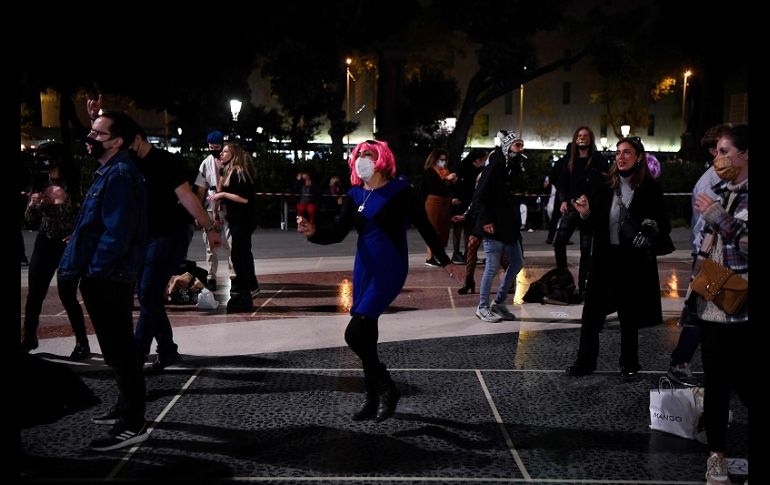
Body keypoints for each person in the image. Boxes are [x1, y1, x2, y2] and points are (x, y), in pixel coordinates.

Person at [297, 139, 456, 422]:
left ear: (381, 158)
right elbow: (336, 233)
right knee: (367, 334)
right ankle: (372, 398)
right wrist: (313, 232)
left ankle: (387, 388)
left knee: (353, 334)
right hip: (364, 269)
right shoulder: (355, 194)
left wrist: (443, 258)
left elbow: (423, 224)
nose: (361, 159)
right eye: (358, 155)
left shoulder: (400, 190)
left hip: (390, 268)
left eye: (367, 154)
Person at [87, 97, 222, 375]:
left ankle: (136, 356)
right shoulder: (127, 161)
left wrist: (209, 227)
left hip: (171, 234)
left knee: (148, 292)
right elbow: (103, 144)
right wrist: (95, 120)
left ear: (135, 139)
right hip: (144, 237)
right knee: (148, 295)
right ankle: (168, 351)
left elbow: (186, 197)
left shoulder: (166, 161)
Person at [57, 111, 149, 451]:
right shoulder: (110, 170)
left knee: (121, 350)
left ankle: (134, 422)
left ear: (117, 141)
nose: (91, 137)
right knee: (114, 350)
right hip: (102, 274)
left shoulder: (121, 173)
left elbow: (118, 231)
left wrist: (95, 267)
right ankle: (126, 409)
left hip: (108, 276)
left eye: (98, 132)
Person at [565, 136, 673, 378]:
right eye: (618, 152)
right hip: (604, 258)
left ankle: (629, 364)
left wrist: (649, 228)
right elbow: (595, 224)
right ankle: (585, 361)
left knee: (629, 315)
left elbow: (663, 223)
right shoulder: (606, 185)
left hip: (632, 260)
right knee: (591, 312)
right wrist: (585, 214)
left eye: (626, 152)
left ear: (639, 157)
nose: (621, 157)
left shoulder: (649, 187)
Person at [688, 125, 748, 485]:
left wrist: (716, 217)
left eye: (726, 151)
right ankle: (717, 457)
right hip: (714, 301)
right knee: (715, 384)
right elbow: (703, 246)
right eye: (716, 151)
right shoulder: (720, 192)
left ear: (745, 155)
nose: (719, 158)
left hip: (743, 305)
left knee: (744, 382)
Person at [667, 124, 731, 387]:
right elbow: (700, 230)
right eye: (725, 147)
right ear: (714, 150)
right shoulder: (708, 183)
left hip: (727, 258)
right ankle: (680, 362)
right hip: (713, 259)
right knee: (703, 316)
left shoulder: (731, 178)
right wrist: (702, 266)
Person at [21, 141, 89, 360]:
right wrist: (33, 205)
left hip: (68, 242)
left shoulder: (76, 182)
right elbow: (29, 221)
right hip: (45, 241)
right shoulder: (40, 182)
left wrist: (76, 235)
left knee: (67, 294)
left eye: (46, 156)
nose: (41, 160)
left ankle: (82, 342)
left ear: (59, 158)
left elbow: (85, 214)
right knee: (35, 294)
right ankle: (29, 337)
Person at [472, 130, 526, 323]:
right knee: (492, 265)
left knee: (517, 262)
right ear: (507, 145)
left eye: (522, 145)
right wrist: (486, 220)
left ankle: (499, 302)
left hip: (509, 225)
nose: (521, 149)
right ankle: (483, 306)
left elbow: (516, 190)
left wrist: (517, 165)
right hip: (493, 225)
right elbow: (480, 194)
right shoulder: (495, 165)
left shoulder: (512, 166)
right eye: (517, 145)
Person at [554, 127, 609, 299]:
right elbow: (562, 182)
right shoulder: (569, 160)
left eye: (585, 136)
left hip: (588, 210)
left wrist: (589, 200)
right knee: (559, 242)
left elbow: (604, 183)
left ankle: (583, 285)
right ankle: (564, 280)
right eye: (579, 135)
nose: (582, 138)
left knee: (586, 249)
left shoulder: (598, 159)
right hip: (571, 207)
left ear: (590, 139)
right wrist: (563, 200)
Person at [210, 142, 259, 312]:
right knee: (239, 254)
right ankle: (248, 289)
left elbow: (244, 199)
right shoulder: (227, 170)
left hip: (244, 219)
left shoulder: (239, 172)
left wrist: (222, 194)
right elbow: (221, 193)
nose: (221, 154)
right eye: (222, 151)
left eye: (225, 151)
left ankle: (247, 291)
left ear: (234, 154)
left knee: (240, 255)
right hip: (235, 219)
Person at [195, 130, 233, 291]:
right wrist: (198, 211)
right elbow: (201, 189)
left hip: (228, 208)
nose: (213, 149)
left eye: (216, 147)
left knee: (232, 244)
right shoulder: (205, 163)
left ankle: (234, 275)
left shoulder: (230, 162)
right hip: (211, 209)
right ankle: (211, 277)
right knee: (211, 246)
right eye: (211, 147)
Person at [420, 148, 457, 267]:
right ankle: (430, 257)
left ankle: (439, 255)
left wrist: (451, 182)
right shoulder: (430, 172)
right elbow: (435, 188)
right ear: (434, 160)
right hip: (433, 201)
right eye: (441, 160)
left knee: (443, 229)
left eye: (445, 160)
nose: (443, 162)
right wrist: (447, 179)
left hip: (444, 202)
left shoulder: (444, 171)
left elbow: (446, 188)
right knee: (433, 229)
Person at [449, 149, 486, 264]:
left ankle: (468, 252)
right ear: (477, 160)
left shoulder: (479, 169)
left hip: (471, 201)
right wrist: (454, 197)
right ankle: (456, 253)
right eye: (483, 159)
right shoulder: (463, 168)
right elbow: (453, 182)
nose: (484, 162)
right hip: (461, 201)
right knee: (458, 227)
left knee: (469, 228)